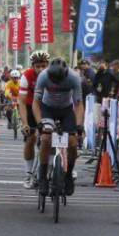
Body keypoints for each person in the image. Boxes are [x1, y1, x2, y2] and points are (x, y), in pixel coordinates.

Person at [31, 59, 84, 197]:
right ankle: (42, 176)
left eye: (59, 80)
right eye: (54, 80)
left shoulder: (74, 77)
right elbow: (36, 103)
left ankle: (68, 176)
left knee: (72, 143)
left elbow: (78, 104)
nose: (57, 83)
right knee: (46, 138)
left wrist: (78, 126)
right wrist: (40, 123)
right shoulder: (43, 76)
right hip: (48, 109)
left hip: (66, 110)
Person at [19, 50, 50, 189]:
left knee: (55, 136)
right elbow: (22, 103)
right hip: (31, 107)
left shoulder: (53, 75)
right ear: (33, 66)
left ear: (48, 65)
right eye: (37, 66)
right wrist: (25, 123)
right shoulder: (27, 76)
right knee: (30, 138)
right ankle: (29, 172)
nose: (40, 69)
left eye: (43, 65)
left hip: (48, 106)